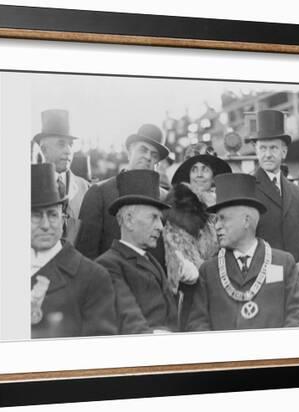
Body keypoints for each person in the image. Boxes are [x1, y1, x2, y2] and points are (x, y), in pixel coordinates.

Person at [187, 173, 299, 331]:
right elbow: (197, 323)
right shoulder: (208, 270)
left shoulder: (284, 262)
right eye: (215, 219)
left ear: (246, 220)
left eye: (223, 218)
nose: (217, 226)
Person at [30, 163, 117, 338]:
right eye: (36, 215)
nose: (46, 225)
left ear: (64, 219)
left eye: (53, 215)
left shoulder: (93, 276)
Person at [95, 169, 179, 334]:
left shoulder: (151, 260)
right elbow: (128, 320)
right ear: (129, 220)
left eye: (160, 220)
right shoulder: (107, 266)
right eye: (153, 217)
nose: (160, 227)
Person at [76, 123, 170, 265]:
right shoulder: (100, 192)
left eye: (154, 154)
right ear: (129, 151)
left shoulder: (165, 198)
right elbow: (86, 253)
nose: (148, 157)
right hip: (108, 281)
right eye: (143, 150)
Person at [163, 143, 232, 329]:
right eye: (194, 169)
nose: (199, 174)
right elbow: (177, 253)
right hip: (192, 292)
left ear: (213, 176)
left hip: (225, 289)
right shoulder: (178, 208)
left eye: (205, 169)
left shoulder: (224, 206)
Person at [248, 109, 299, 281]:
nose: (267, 154)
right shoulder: (248, 187)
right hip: (262, 281)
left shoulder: (296, 192)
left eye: (273, 148)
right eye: (263, 148)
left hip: (297, 280)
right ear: (256, 152)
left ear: (284, 152)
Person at [33, 109, 90, 244]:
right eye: (61, 144)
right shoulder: (30, 186)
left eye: (71, 144)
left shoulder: (85, 188)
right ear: (44, 149)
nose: (68, 151)